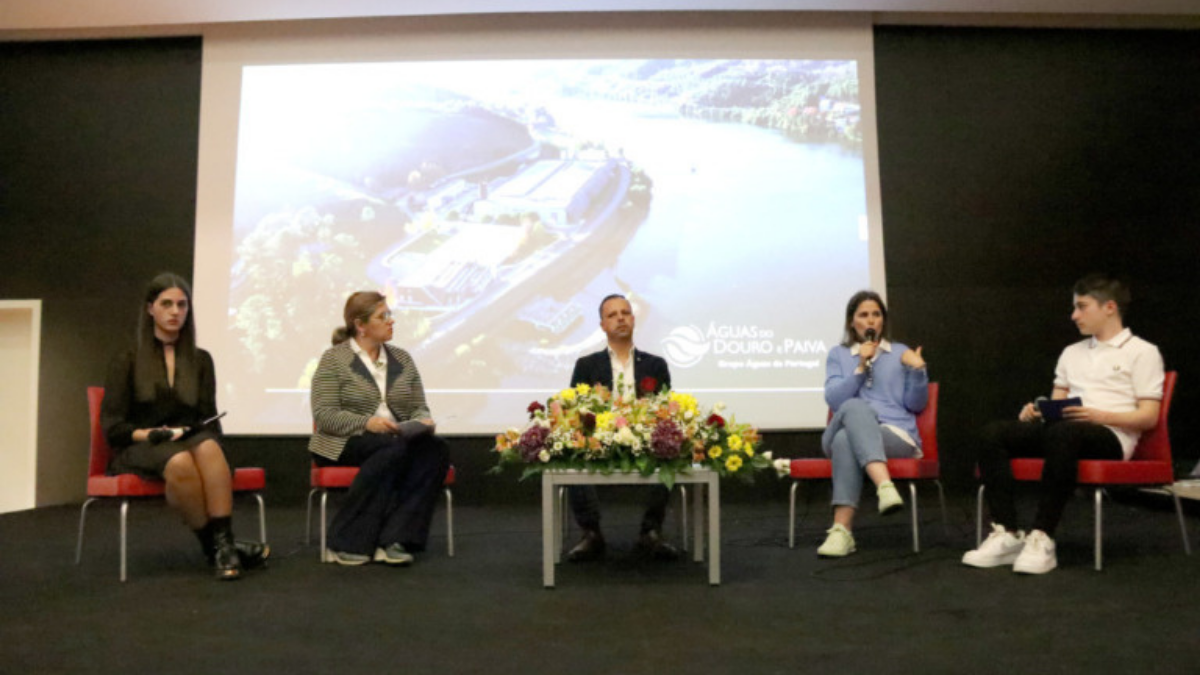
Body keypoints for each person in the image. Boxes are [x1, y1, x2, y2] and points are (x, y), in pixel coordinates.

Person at [963, 274, 1164, 574]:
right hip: (1065, 430)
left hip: (1112, 436)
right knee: (993, 433)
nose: (1074, 316)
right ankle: (1007, 532)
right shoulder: (1072, 352)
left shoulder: (1143, 352)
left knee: (1065, 432)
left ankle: (1042, 536)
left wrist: (1099, 416)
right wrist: (1037, 411)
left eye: (1082, 307)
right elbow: (1057, 405)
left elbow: (1149, 416)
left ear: (1109, 307)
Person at [101, 272, 267, 580]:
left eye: (182, 305)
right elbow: (113, 428)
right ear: (150, 308)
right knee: (180, 462)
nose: (175, 311)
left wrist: (197, 436)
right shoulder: (126, 359)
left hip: (187, 439)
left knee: (208, 447)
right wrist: (150, 434)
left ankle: (223, 545)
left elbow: (207, 418)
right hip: (140, 445)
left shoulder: (201, 360)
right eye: (166, 304)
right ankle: (220, 547)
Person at [309, 291, 451, 566]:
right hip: (344, 442)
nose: (391, 321)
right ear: (361, 325)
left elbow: (419, 406)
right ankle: (345, 540)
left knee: (436, 449)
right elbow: (324, 415)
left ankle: (395, 539)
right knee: (392, 449)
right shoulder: (334, 360)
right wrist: (366, 422)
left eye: (390, 314)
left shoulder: (403, 359)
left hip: (394, 441)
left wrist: (422, 421)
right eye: (382, 316)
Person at [565, 293, 679, 562]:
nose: (620, 319)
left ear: (633, 320)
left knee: (670, 451)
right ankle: (591, 533)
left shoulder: (655, 364)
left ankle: (650, 532)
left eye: (625, 313)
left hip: (644, 436)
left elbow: (664, 408)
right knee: (572, 453)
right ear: (603, 325)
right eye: (612, 315)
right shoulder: (587, 365)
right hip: (600, 439)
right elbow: (574, 410)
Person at [817, 290, 928, 557]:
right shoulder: (839, 355)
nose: (870, 321)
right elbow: (833, 399)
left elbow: (916, 405)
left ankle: (841, 532)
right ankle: (884, 486)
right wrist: (860, 366)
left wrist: (918, 370)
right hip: (844, 426)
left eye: (876, 315)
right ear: (851, 322)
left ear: (883, 321)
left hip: (896, 435)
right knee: (854, 407)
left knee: (846, 439)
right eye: (863, 315)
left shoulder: (900, 353)